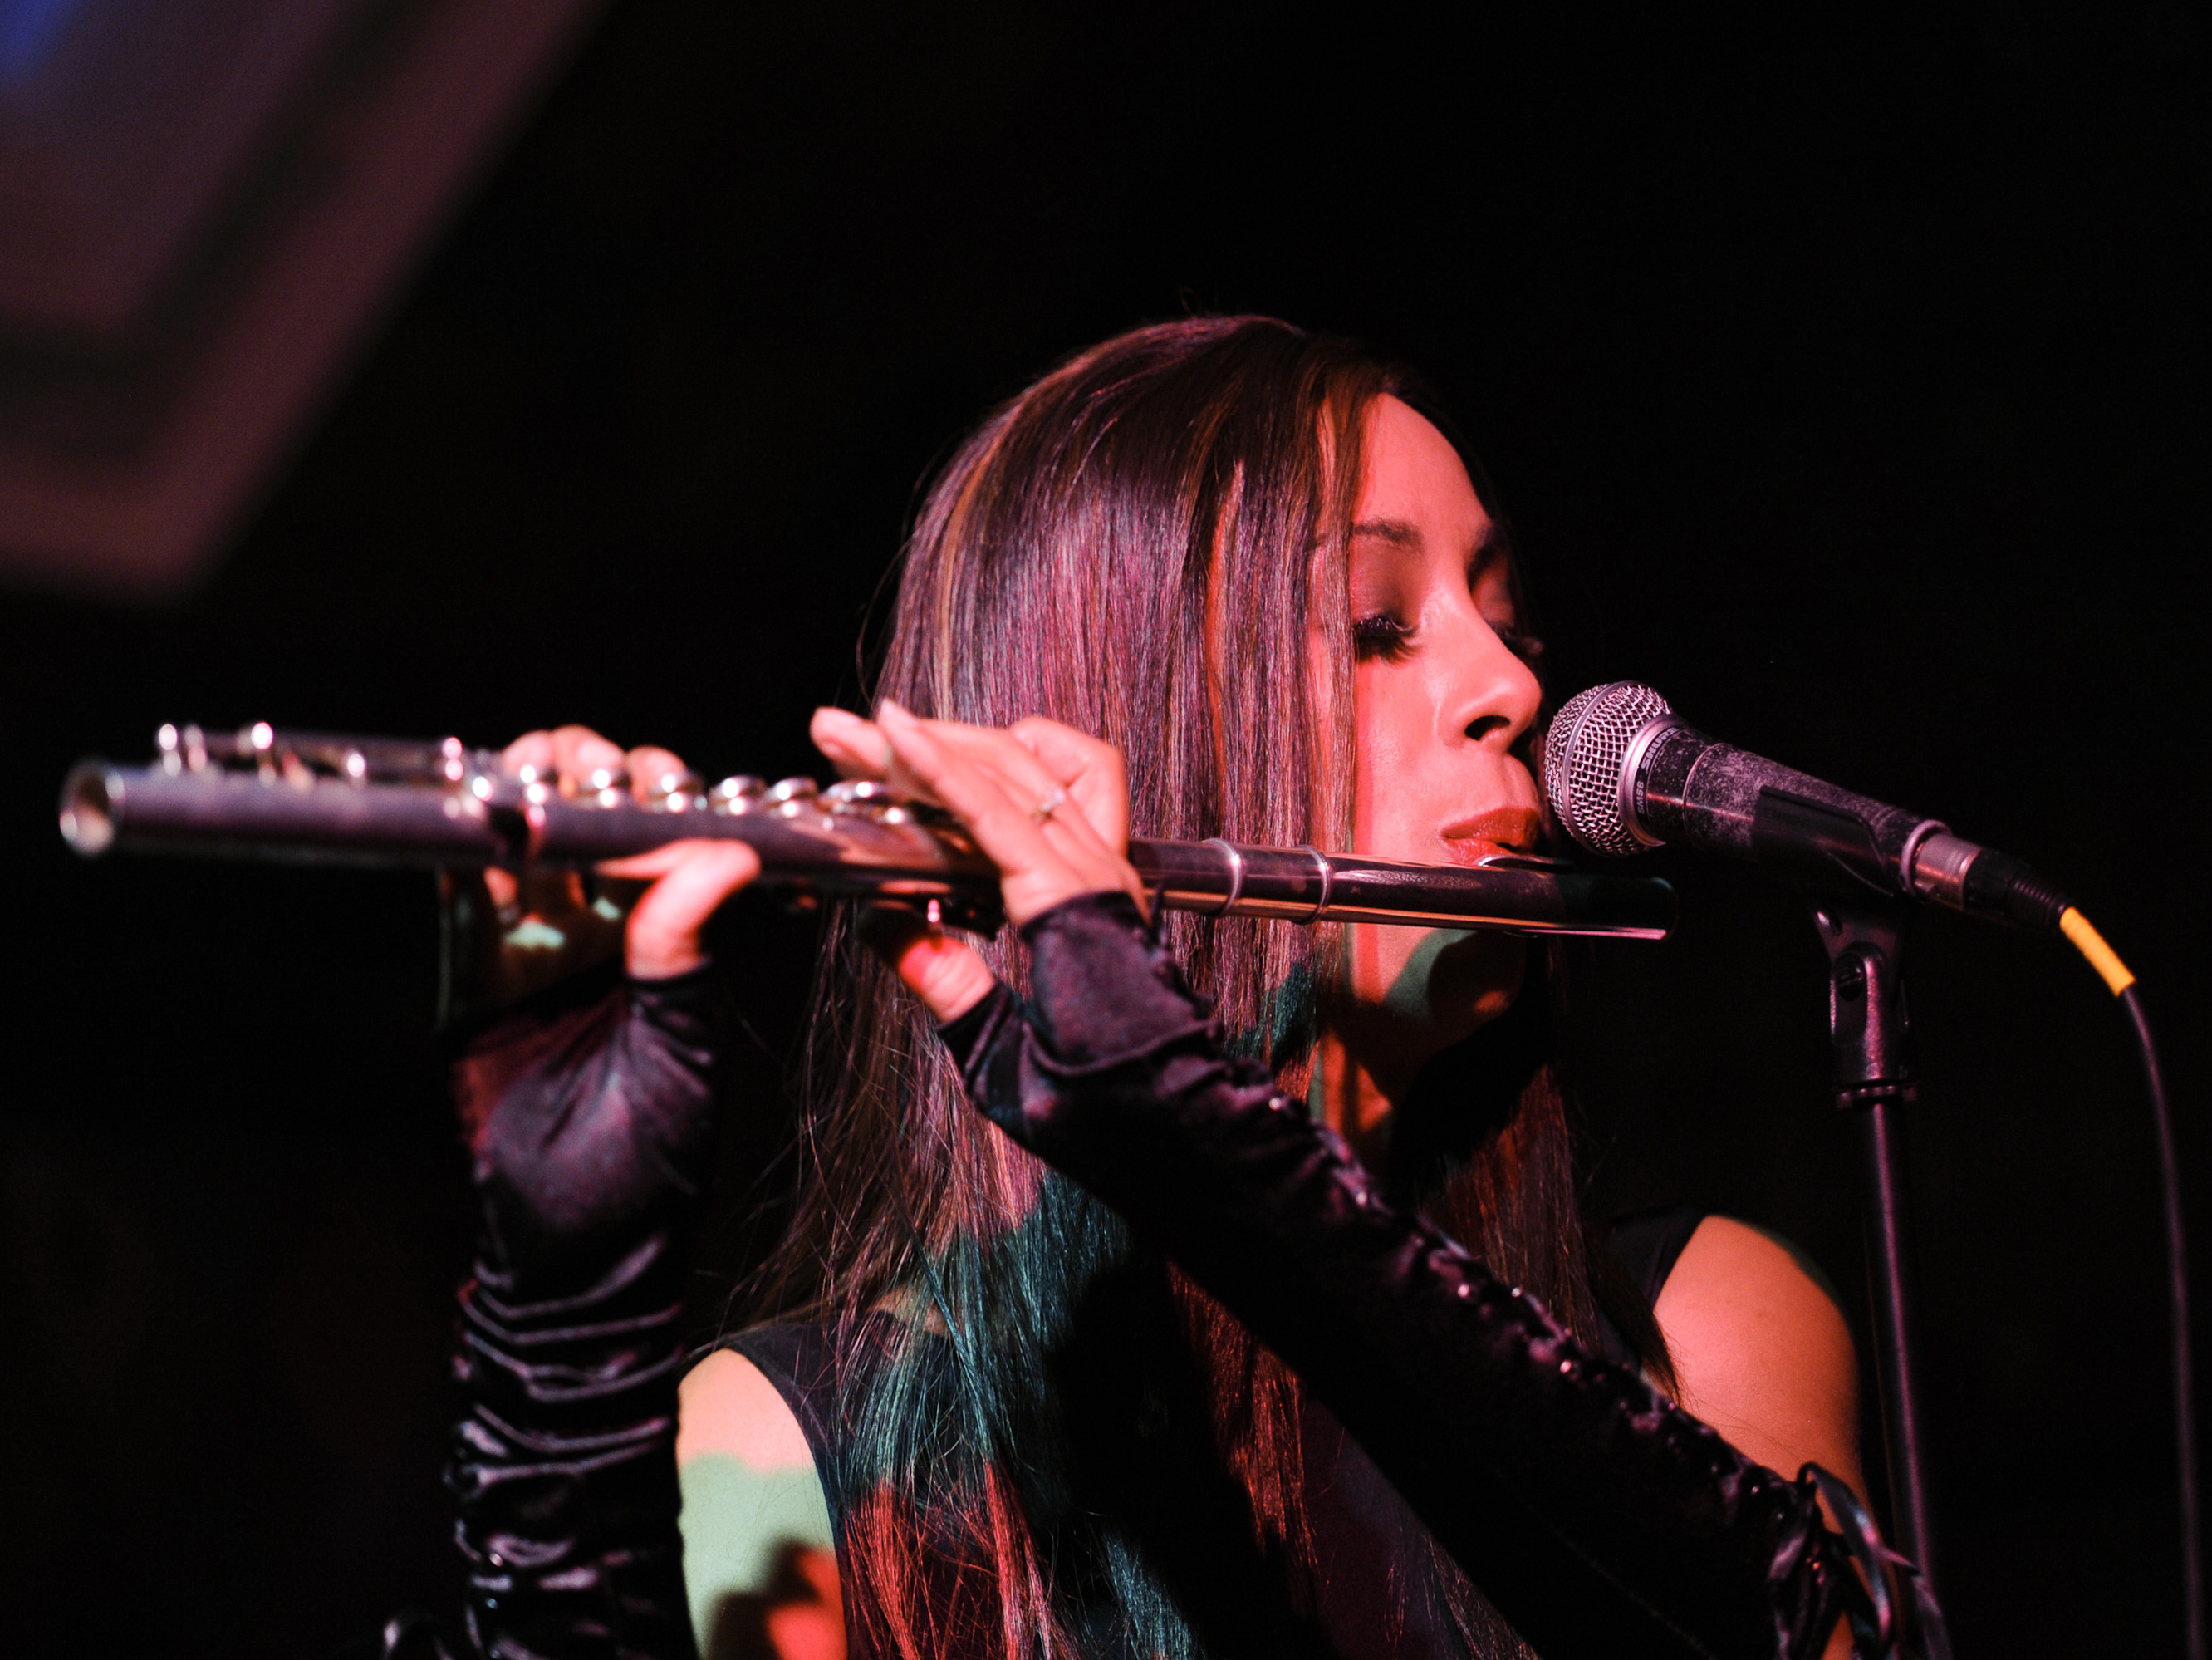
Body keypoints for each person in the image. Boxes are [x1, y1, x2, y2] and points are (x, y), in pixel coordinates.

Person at [490, 317, 1872, 1658]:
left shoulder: (1702, 1327)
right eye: (1374, 626)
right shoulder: (807, 1449)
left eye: (1505, 619)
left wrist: (1188, 1125)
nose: (1509, 682)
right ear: (1129, 721)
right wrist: (561, 1315)